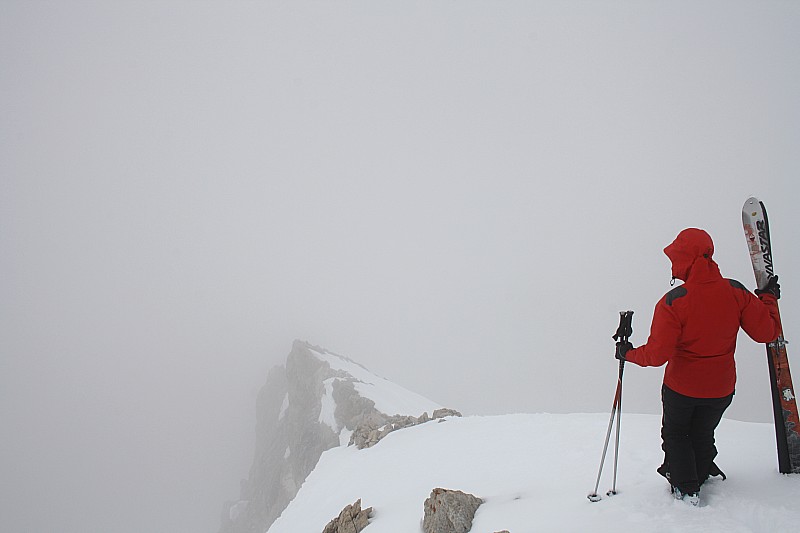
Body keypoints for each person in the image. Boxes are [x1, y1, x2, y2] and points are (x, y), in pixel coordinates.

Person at [614, 228, 781, 505]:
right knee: (703, 432)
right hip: (721, 389)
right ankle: (700, 473)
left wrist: (628, 354)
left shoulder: (673, 301)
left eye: (675, 258)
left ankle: (687, 490)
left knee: (676, 434)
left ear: (686, 260)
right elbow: (767, 333)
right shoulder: (736, 291)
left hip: (682, 389)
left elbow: (657, 355)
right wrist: (768, 298)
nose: (671, 264)